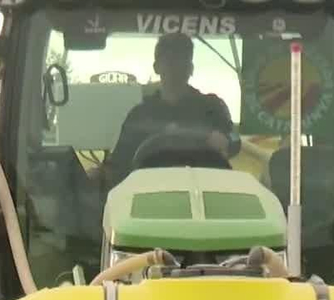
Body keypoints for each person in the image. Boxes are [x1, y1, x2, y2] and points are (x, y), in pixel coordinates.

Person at [104, 32, 242, 186]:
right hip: (150, 193)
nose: (176, 68)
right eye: (170, 61)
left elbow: (235, 138)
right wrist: (101, 174)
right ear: (157, 67)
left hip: (205, 191)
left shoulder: (213, 107)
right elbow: (119, 163)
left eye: (183, 61)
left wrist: (226, 140)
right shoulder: (140, 115)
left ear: (191, 68)